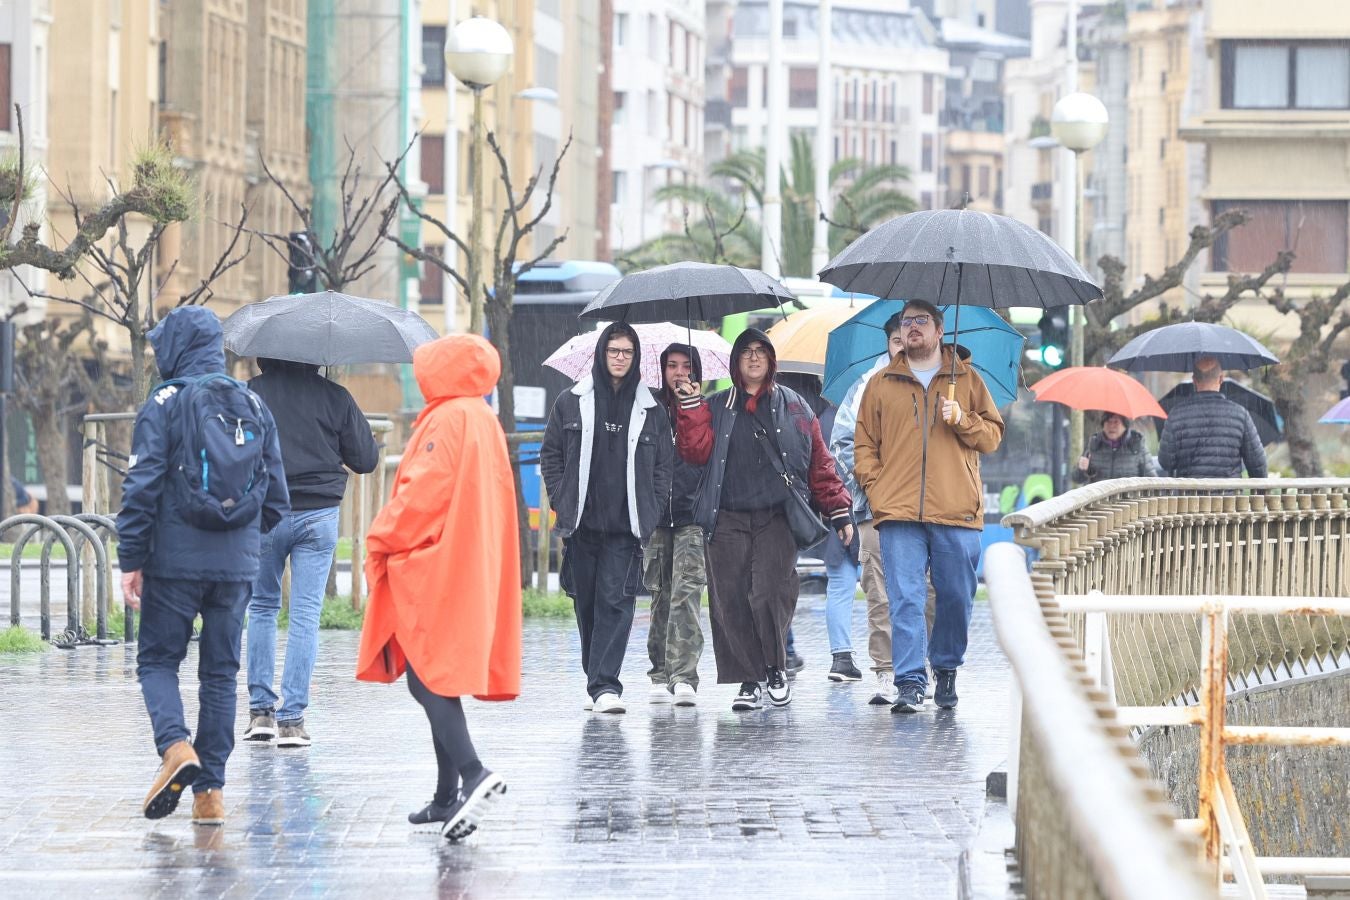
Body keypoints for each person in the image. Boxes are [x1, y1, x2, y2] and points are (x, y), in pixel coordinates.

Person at [117, 306, 289, 826]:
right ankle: (210, 794)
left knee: (157, 661)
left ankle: (175, 747)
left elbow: (142, 485)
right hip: (236, 570)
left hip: (172, 563)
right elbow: (277, 499)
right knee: (220, 673)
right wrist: (237, 539)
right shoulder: (253, 404)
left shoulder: (163, 402)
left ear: (175, 348)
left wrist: (132, 558)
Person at [356, 334, 520, 842]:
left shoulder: (446, 419)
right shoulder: (480, 416)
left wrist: (381, 537)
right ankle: (447, 795)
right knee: (438, 676)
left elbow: (422, 494)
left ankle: (473, 773)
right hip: (471, 562)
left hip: (437, 565)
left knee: (426, 677)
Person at [675, 329, 852, 711]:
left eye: (761, 352)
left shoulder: (795, 407)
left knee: (771, 592)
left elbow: (818, 461)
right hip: (726, 517)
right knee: (731, 598)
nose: (754, 359)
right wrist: (690, 408)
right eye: (746, 353)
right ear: (735, 362)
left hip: (776, 515)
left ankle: (775, 667)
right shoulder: (716, 405)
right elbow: (694, 453)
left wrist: (839, 509)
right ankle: (748, 679)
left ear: (771, 360)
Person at [854, 302, 1004, 714]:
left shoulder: (968, 380)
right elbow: (863, 442)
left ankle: (946, 667)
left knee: (956, 595)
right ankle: (909, 681)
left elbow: (992, 437)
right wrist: (876, 486)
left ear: (939, 331)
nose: (912, 328)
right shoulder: (881, 383)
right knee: (904, 597)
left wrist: (963, 420)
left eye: (922, 321)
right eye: (907, 322)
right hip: (898, 510)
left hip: (956, 509)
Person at [244, 358, 380, 748]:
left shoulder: (251, 395)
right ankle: (291, 721)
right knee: (305, 614)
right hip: (318, 515)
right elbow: (366, 460)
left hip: (265, 512)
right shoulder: (335, 397)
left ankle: (260, 714)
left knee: (263, 607)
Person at [540, 323, 673, 715]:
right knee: (586, 604)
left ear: (636, 359)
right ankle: (595, 679)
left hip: (626, 526)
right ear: (602, 354)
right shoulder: (570, 401)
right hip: (581, 523)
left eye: (627, 352)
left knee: (616, 602)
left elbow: (664, 465)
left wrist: (650, 508)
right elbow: (551, 455)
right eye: (613, 350)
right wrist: (562, 499)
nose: (619, 357)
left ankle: (605, 686)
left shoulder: (651, 409)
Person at [830, 324, 903, 705]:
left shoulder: (942, 384)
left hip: (927, 508)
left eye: (914, 333)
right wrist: (871, 481)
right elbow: (841, 441)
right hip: (875, 507)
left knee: (924, 591)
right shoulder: (866, 385)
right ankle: (886, 670)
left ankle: (918, 669)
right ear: (888, 343)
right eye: (897, 338)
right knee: (879, 590)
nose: (905, 344)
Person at [644, 343, 708, 707]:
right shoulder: (649, 407)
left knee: (687, 593)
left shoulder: (706, 407)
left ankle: (684, 675)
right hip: (655, 516)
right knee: (659, 593)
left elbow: (699, 451)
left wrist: (690, 408)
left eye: (686, 366)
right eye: (672, 365)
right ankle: (658, 671)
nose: (679, 372)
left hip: (691, 515)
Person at [1157, 356, 1267, 479]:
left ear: (1194, 380)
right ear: (1221, 379)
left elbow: (1165, 462)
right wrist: (1258, 494)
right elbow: (1257, 464)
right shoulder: (1240, 415)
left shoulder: (1176, 415)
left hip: (1189, 496)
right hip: (1228, 496)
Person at [1074, 412, 1158, 483]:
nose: (1112, 426)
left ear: (1125, 425)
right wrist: (1083, 470)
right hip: (1100, 501)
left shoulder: (1137, 445)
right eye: (1108, 422)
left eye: (1116, 422)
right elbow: (1077, 479)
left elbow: (1151, 480)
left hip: (1129, 501)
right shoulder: (1094, 444)